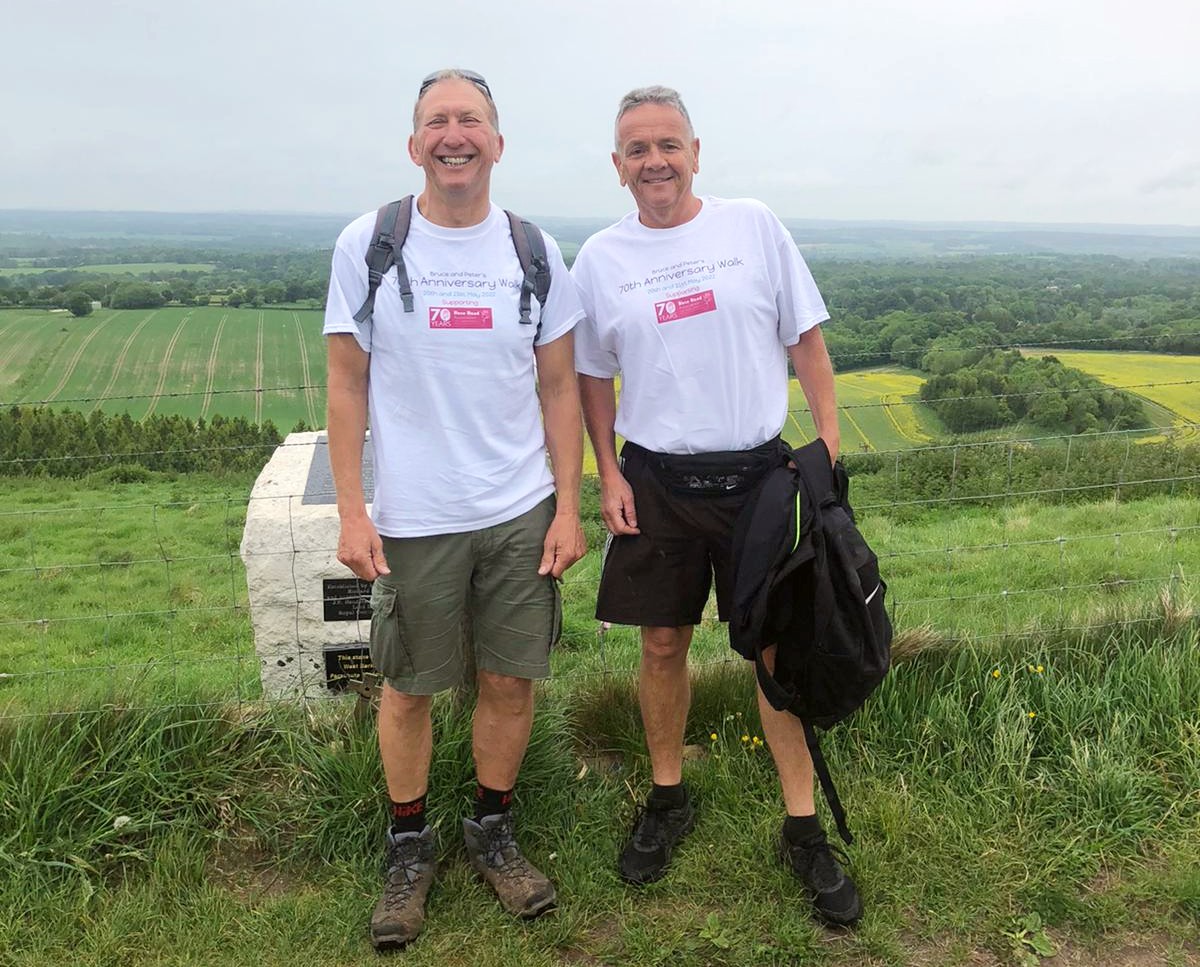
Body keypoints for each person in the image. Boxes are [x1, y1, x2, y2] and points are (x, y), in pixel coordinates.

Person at [571, 85, 862, 927]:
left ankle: (803, 826)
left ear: (697, 152)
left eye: (668, 143)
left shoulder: (752, 227)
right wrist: (606, 473)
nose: (654, 160)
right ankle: (668, 796)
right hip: (656, 478)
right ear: (617, 165)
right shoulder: (600, 257)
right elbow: (593, 376)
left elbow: (805, 338)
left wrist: (828, 449)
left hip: (760, 479)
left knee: (773, 648)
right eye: (637, 148)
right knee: (663, 642)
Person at [323, 68, 587, 950]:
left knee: (511, 679)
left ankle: (493, 829)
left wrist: (568, 507)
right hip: (415, 515)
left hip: (518, 509)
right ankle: (408, 846)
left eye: (469, 119)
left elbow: (559, 390)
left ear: (497, 143)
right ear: (414, 145)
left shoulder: (536, 251)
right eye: (436, 121)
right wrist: (354, 511)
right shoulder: (371, 242)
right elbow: (346, 381)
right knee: (408, 686)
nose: (454, 135)